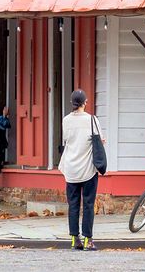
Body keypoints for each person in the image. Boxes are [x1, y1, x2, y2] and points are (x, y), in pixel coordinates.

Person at [59, 89, 101, 251]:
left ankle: (74, 239)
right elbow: (99, 140)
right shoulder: (92, 120)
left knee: (73, 204)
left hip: (70, 168)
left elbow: (66, 140)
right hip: (88, 168)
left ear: (72, 103)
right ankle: (88, 240)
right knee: (88, 204)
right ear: (85, 102)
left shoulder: (66, 120)